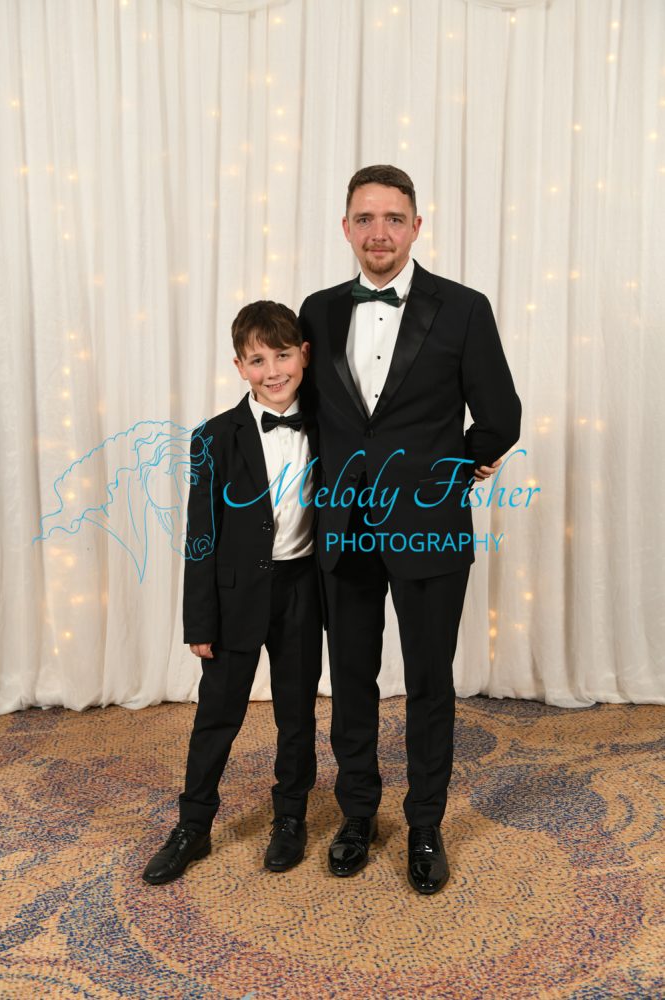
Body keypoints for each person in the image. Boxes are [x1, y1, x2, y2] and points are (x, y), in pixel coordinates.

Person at [299, 165, 521, 895]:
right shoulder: (316, 311)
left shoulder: (463, 308)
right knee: (351, 679)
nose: (379, 232)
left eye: (393, 218)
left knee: (429, 681)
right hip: (342, 527)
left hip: (429, 528)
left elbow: (501, 415)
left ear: (416, 226)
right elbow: (300, 412)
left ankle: (425, 823)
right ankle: (356, 814)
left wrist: (454, 468)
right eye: (364, 218)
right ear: (345, 228)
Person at [143, 301, 322, 885]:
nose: (273, 371)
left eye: (283, 355)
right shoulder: (214, 437)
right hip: (235, 597)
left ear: (304, 355)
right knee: (217, 716)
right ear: (240, 367)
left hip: (302, 590)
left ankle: (290, 817)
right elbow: (201, 535)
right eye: (257, 360)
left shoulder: (329, 425)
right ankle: (193, 825)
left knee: (297, 712)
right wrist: (200, 621)